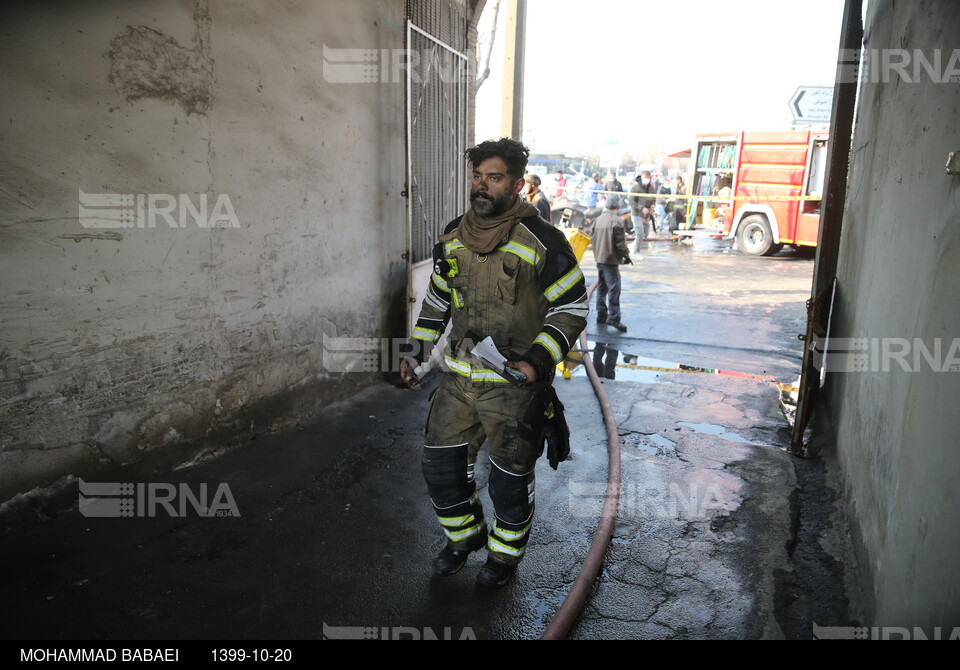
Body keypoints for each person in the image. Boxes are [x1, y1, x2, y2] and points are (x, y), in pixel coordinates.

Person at [401, 137, 588, 588]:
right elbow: (437, 299)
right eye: (477, 177)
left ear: (518, 184)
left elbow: (573, 306)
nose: (481, 187)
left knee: (508, 481)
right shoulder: (453, 236)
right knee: (441, 470)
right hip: (461, 380)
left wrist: (537, 361)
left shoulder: (542, 240)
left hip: (514, 387)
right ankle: (464, 539)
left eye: (494, 178)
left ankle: (504, 559)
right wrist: (415, 350)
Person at [592, 193, 631, 333]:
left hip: (599, 259)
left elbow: (593, 239)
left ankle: (601, 314)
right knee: (614, 289)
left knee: (602, 288)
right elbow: (620, 244)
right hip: (610, 260)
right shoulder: (617, 221)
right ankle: (614, 318)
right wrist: (626, 255)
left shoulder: (598, 220)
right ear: (618, 205)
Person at [628, 171, 655, 244]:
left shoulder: (651, 188)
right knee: (639, 234)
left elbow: (653, 198)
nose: (646, 179)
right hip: (637, 214)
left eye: (648, 178)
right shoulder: (635, 187)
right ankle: (636, 251)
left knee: (645, 234)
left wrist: (652, 205)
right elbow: (630, 201)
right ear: (641, 178)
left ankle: (633, 246)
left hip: (646, 215)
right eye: (645, 177)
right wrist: (641, 208)